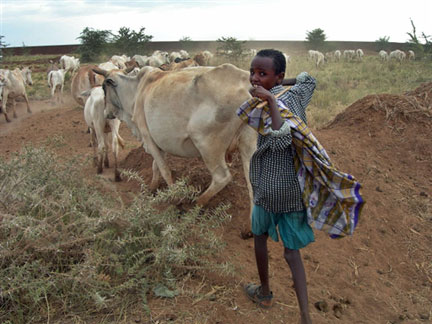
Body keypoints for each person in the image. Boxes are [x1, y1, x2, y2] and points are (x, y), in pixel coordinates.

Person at [242, 49, 316, 324]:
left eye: (263, 74)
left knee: (259, 236)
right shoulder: (296, 94)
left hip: (269, 187)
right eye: (253, 72)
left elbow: (279, 140)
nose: (255, 78)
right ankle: (305, 316)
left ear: (278, 76)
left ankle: (264, 293)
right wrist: (280, 84)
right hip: (294, 189)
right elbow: (309, 79)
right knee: (291, 252)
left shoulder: (266, 107)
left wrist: (271, 97)